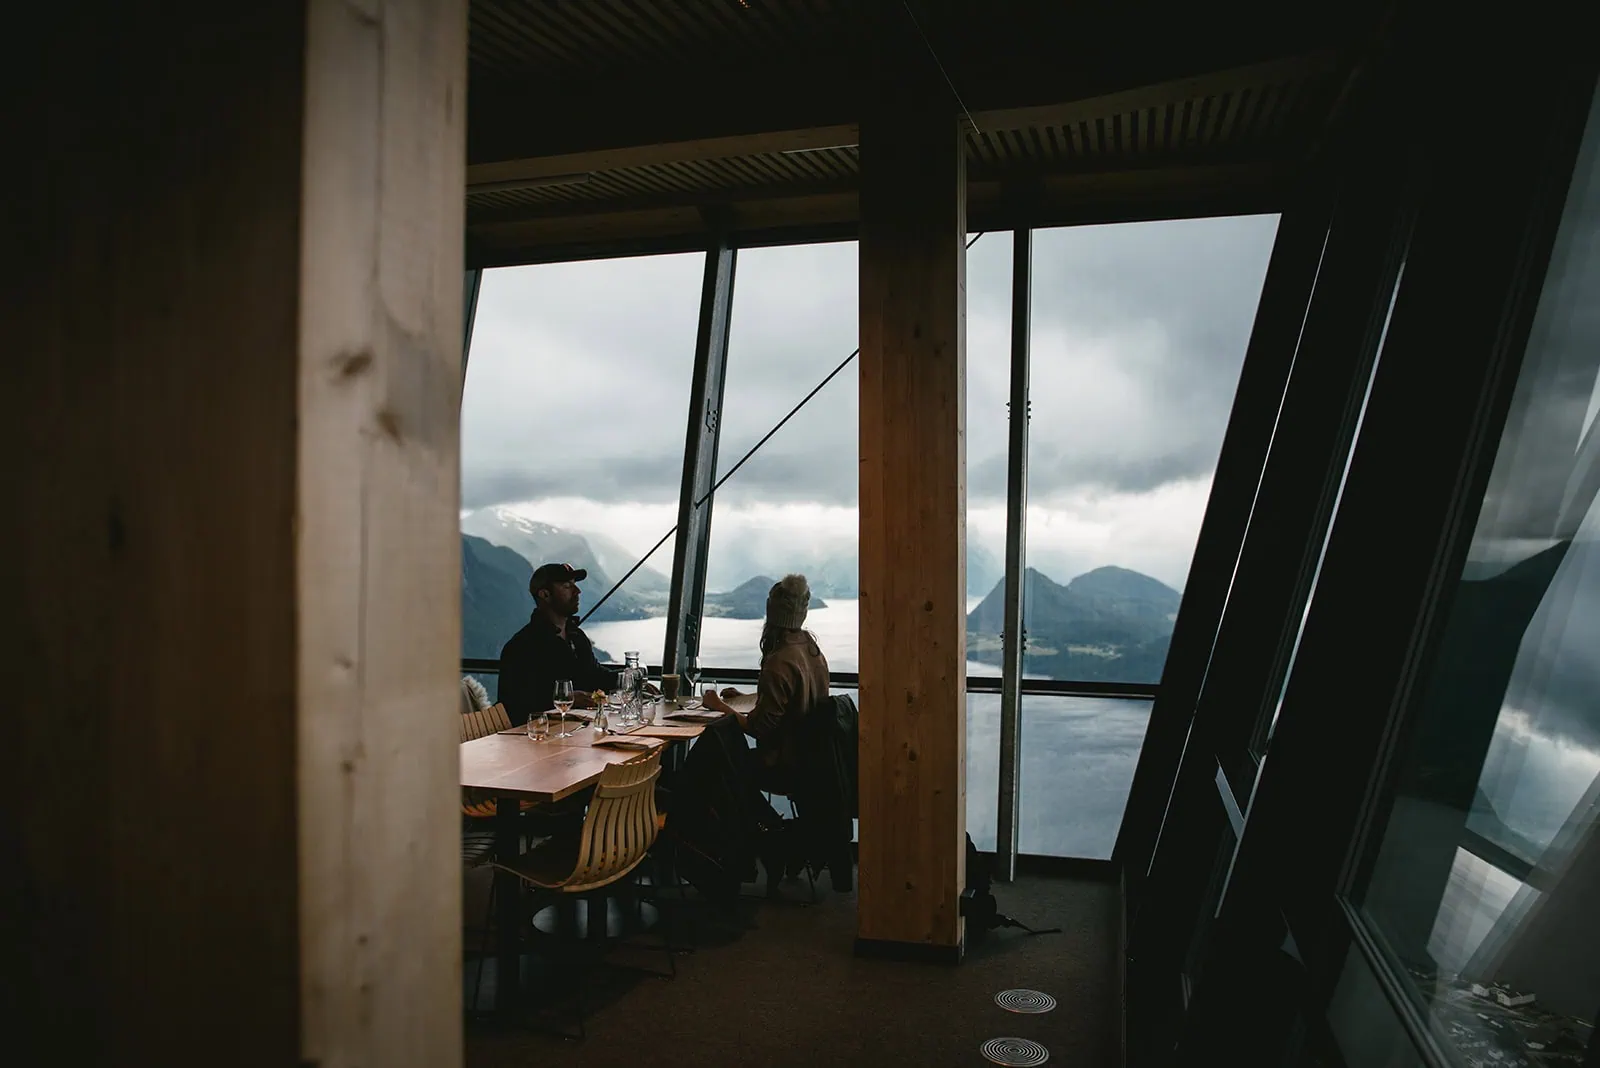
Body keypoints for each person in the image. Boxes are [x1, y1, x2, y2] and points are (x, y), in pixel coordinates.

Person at [702, 573, 830, 794]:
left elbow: (758, 728)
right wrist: (744, 698)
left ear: (772, 615)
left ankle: (743, 824)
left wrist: (719, 706)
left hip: (783, 766)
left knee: (709, 761)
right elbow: (790, 703)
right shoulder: (810, 649)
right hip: (811, 761)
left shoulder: (779, 661)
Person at [497, 562, 617, 727]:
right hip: (538, 740)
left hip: (578, 736)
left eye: (575, 585)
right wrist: (567, 699)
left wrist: (631, 681)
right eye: (567, 586)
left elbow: (594, 675)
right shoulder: (521, 647)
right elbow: (513, 705)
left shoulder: (577, 637)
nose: (577, 592)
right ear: (545, 594)